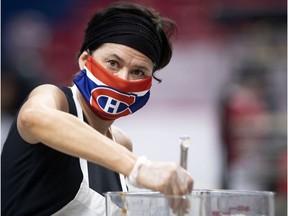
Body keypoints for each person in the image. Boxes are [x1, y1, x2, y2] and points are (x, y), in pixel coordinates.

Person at [1, 1, 193, 215]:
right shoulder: (55, 99)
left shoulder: (121, 143)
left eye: (138, 72)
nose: (122, 80)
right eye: (113, 63)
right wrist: (139, 168)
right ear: (85, 60)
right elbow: (34, 117)